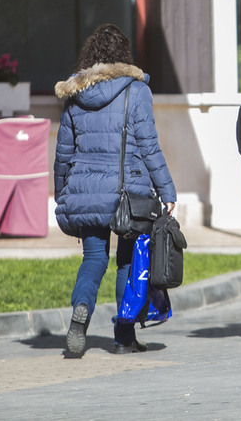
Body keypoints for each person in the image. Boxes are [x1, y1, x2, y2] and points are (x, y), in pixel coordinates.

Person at [53, 23, 177, 357]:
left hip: (85, 191)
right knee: (126, 262)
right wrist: (167, 190)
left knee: (93, 258)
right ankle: (123, 337)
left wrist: (62, 192)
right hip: (128, 194)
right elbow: (149, 147)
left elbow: (63, 152)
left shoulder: (75, 95)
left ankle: (80, 313)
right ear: (123, 57)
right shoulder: (136, 91)